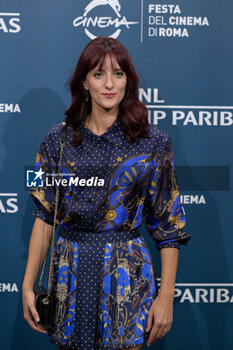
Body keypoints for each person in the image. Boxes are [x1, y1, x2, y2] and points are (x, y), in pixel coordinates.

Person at [22, 37, 191, 350]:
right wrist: (27, 284)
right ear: (84, 82)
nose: (110, 84)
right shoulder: (54, 141)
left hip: (127, 278)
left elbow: (169, 226)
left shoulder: (153, 142)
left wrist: (166, 296)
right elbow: (45, 214)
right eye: (99, 74)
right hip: (68, 278)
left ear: (129, 80)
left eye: (118, 74)